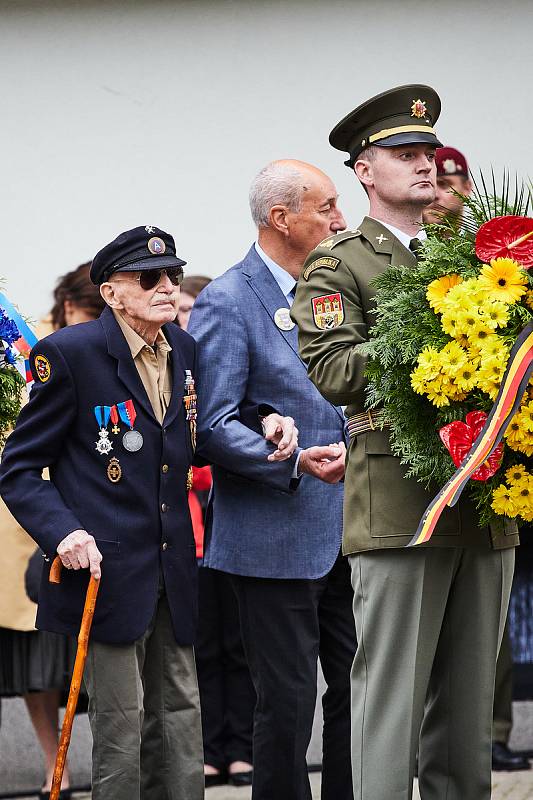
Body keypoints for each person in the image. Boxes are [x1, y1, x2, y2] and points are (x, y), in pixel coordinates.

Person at [0, 225, 297, 800]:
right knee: (122, 725)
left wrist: (264, 420)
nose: (167, 287)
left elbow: (213, 416)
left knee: (182, 717)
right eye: (149, 278)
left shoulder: (183, 349)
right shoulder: (68, 355)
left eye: (173, 276)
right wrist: (64, 534)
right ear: (112, 293)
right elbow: (18, 468)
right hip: (106, 571)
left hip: (173, 564)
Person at [291, 85, 518, 800]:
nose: (425, 164)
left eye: (428, 152)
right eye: (404, 153)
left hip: (484, 497)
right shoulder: (340, 263)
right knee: (389, 697)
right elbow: (331, 370)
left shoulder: (475, 258)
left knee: (468, 702)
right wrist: (433, 345)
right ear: (365, 169)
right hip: (399, 505)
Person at [188, 160, 356, 800]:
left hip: (350, 525)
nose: (341, 219)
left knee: (358, 688)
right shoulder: (229, 300)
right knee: (286, 705)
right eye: (328, 207)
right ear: (281, 219)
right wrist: (287, 456)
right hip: (272, 539)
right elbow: (213, 424)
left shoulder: (335, 288)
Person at [426, 146, 530, 772]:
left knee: (491, 614)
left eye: (451, 179)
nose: (440, 190)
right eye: (431, 178)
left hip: (506, 451)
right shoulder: (411, 259)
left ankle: (489, 732)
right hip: (434, 447)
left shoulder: (492, 254)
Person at [0, 262, 105, 799]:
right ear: (69, 308)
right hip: (23, 521)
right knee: (33, 655)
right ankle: (51, 764)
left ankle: (94, 758)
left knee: (81, 651)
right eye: (93, 315)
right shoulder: (22, 345)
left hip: (82, 508)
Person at [177, 275, 256, 788]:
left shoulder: (219, 367)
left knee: (241, 644)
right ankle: (208, 748)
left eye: (191, 308)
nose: (184, 317)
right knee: (202, 648)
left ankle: (243, 748)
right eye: (180, 308)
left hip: (231, 525)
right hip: (188, 536)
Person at [423, 145, 472, 226]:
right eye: (425, 184)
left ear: (466, 188)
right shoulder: (399, 237)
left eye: (443, 184)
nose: (434, 195)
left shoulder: (486, 238)